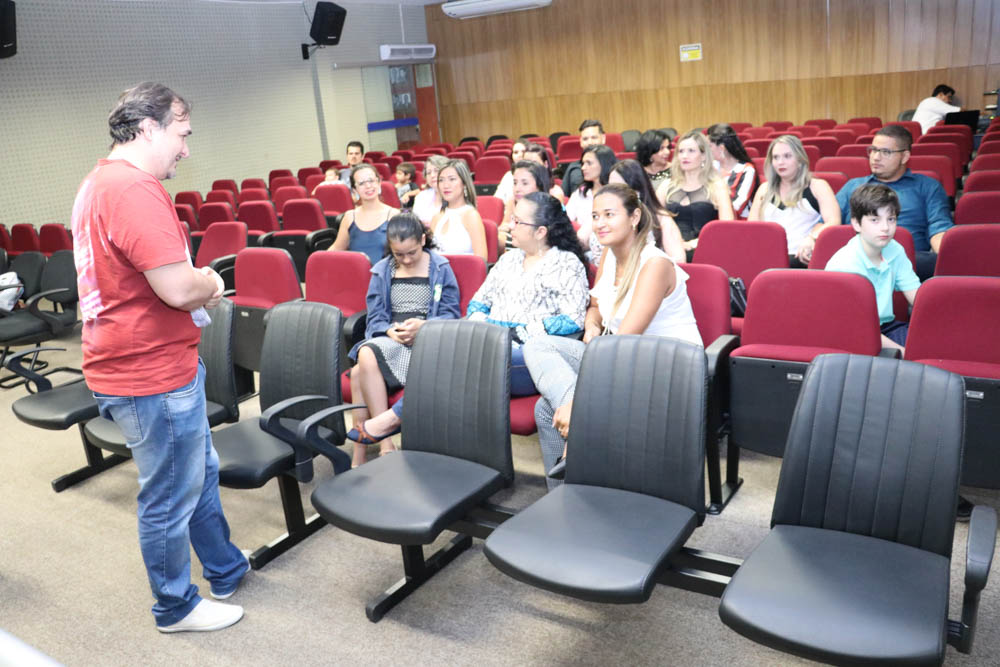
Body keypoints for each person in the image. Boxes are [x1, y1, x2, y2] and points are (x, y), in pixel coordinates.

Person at [71, 82, 247, 633]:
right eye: (182, 134)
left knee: (197, 473)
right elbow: (177, 289)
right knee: (170, 493)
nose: (186, 150)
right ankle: (175, 607)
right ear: (149, 128)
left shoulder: (99, 181)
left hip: (135, 362)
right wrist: (211, 282)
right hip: (149, 372)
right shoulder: (133, 189)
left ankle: (224, 566)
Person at [351, 192, 591, 443]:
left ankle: (395, 418)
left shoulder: (566, 264)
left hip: (531, 356)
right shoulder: (509, 259)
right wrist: (484, 327)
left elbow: (573, 319)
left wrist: (514, 331)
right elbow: (479, 302)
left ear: (540, 232)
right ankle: (417, 434)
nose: (509, 225)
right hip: (489, 343)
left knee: (452, 360)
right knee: (447, 352)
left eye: (517, 221)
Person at [523, 184, 702, 485]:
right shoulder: (608, 254)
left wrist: (581, 399)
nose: (599, 223)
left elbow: (625, 341)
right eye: (595, 216)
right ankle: (564, 495)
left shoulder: (655, 264)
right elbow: (595, 307)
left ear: (634, 217)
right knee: (539, 358)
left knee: (553, 404)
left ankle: (576, 422)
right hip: (621, 355)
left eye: (609, 214)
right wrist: (593, 326)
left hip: (665, 367)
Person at [345, 214, 461, 466]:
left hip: (427, 343)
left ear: (423, 240)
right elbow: (375, 318)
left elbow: (452, 316)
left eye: (412, 252)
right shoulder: (383, 270)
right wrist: (389, 331)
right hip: (390, 340)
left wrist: (425, 327)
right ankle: (384, 443)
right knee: (365, 355)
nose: (406, 260)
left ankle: (364, 451)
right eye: (399, 254)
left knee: (358, 372)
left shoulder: (440, 268)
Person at [835, 124, 952, 280]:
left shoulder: (928, 187)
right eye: (873, 150)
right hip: (855, 261)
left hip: (909, 262)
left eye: (886, 152)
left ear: (904, 157)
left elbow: (939, 228)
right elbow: (829, 223)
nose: (876, 157)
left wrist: (947, 261)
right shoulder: (853, 186)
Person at [825, 184, 919, 351]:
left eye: (891, 219)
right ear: (856, 224)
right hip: (850, 332)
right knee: (908, 357)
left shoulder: (895, 249)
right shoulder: (845, 263)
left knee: (929, 346)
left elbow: (917, 298)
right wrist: (903, 353)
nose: (885, 228)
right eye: (875, 220)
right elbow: (855, 326)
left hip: (886, 326)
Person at [747, 135, 840, 266]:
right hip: (767, 257)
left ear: (800, 160)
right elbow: (751, 228)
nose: (780, 162)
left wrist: (813, 237)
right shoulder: (764, 189)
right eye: (776, 157)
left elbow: (834, 221)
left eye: (787, 156)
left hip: (802, 258)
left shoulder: (818, 186)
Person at [655, 130, 735, 257]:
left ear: (703, 156)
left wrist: (694, 243)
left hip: (706, 249)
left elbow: (727, 227)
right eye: (681, 151)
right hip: (670, 251)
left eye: (691, 151)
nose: (684, 156)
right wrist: (673, 244)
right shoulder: (666, 185)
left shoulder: (717, 186)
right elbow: (652, 222)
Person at [608, 159, 686, 264]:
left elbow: (679, 260)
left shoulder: (661, 218)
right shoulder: (604, 217)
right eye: (610, 188)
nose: (612, 194)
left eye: (619, 189)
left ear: (637, 191)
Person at [329, 163, 400, 265]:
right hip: (356, 272)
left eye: (371, 181)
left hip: (387, 273)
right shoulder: (349, 217)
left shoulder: (394, 215)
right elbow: (336, 248)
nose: (368, 186)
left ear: (379, 183)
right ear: (355, 190)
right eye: (361, 183)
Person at [429, 159, 488, 261]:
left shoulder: (471, 216)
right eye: (441, 180)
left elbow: (481, 261)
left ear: (464, 183)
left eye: (452, 179)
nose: (445, 185)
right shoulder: (436, 218)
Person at [567, 144, 617, 259]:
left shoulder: (616, 194)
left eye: (589, 163)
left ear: (604, 164)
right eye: (583, 163)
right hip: (581, 248)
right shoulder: (580, 193)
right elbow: (566, 220)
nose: (583, 168)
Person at [707, 123, 758, 218]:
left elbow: (738, 206)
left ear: (722, 148)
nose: (707, 151)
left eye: (709, 146)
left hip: (737, 221)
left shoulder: (746, 170)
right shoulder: (710, 167)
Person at [498, 160, 551, 249]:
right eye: (515, 183)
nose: (517, 189)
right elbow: (504, 226)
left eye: (525, 183)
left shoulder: (550, 208)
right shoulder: (513, 202)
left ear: (540, 186)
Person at [561, 119, 607, 197]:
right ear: (581, 142)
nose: (590, 142)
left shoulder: (616, 167)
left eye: (594, 138)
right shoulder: (573, 168)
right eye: (585, 139)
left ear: (603, 138)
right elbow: (564, 197)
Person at [412, 155, 450, 225]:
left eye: (436, 171)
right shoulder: (421, 196)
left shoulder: (456, 197)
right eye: (428, 173)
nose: (432, 175)